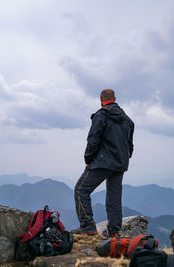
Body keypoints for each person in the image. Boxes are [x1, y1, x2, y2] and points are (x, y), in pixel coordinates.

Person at [73, 89, 134, 237]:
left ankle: (88, 227)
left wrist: (88, 159)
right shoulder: (128, 120)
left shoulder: (101, 116)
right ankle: (113, 231)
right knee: (114, 196)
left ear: (101, 99)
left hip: (102, 162)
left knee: (81, 189)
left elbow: (93, 140)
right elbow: (130, 146)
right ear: (114, 99)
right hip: (120, 163)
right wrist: (123, 159)